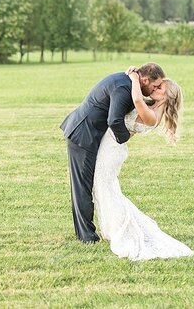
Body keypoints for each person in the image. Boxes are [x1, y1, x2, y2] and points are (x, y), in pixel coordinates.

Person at [92, 67, 194, 260]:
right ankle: (113, 228)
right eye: (157, 84)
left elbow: (137, 100)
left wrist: (133, 77)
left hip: (112, 150)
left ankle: (122, 230)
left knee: (106, 187)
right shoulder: (152, 106)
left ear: (168, 95)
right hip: (110, 147)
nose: (156, 87)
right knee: (104, 188)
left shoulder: (153, 116)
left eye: (161, 87)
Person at [60, 63, 165, 243]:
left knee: (86, 184)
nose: (155, 89)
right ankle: (86, 236)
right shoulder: (124, 88)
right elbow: (114, 120)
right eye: (154, 86)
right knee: (82, 187)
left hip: (89, 133)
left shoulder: (130, 83)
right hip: (83, 133)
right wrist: (124, 139)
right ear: (145, 80)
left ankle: (86, 233)